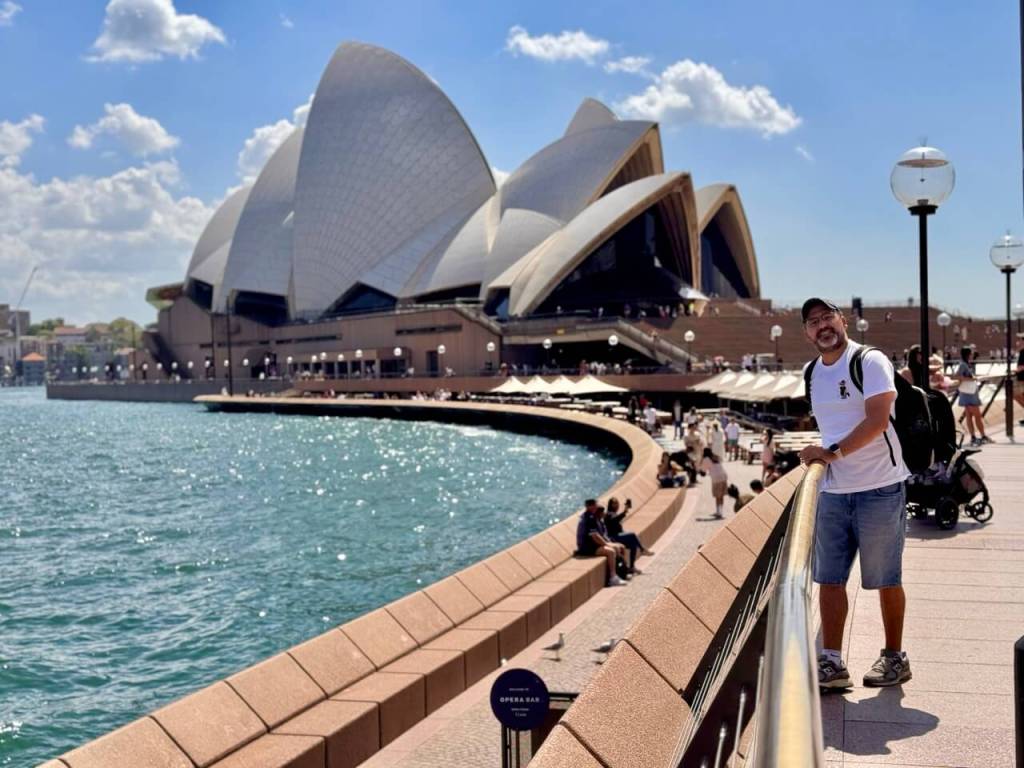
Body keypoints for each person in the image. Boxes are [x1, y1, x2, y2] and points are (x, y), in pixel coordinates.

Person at [798, 297, 911, 690]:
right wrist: (827, 457)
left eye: (827, 317)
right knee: (829, 579)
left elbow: (878, 420)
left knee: (885, 577)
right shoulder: (811, 372)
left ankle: (894, 657)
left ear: (843, 320)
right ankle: (832, 662)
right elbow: (832, 424)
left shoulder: (869, 361)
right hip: (833, 489)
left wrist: (831, 453)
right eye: (813, 321)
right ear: (807, 332)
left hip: (879, 487)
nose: (822, 325)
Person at [575, 499, 628, 587]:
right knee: (611, 552)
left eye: (596, 505)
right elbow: (595, 536)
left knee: (618, 547)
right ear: (589, 507)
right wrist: (606, 544)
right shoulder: (589, 518)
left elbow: (597, 535)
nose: (596, 507)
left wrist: (607, 544)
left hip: (591, 545)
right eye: (594, 505)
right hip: (586, 547)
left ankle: (622, 572)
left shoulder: (589, 516)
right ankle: (613, 578)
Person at [952, 346, 990, 446]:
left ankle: (974, 437)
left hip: (968, 392)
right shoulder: (963, 365)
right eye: (971, 353)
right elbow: (956, 376)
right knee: (977, 415)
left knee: (969, 416)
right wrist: (972, 379)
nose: (972, 354)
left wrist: (973, 378)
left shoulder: (965, 364)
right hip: (969, 393)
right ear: (968, 354)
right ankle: (982, 436)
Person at [604, 497, 653, 573]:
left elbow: (617, 525)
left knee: (633, 545)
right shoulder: (608, 514)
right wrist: (624, 512)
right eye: (614, 504)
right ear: (610, 505)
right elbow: (614, 520)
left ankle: (632, 567)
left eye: (617, 503)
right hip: (613, 538)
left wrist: (625, 512)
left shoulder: (614, 514)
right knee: (632, 534)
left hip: (618, 536)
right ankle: (642, 550)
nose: (616, 505)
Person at [699, 447, 729, 518]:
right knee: (721, 496)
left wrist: (700, 462)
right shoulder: (715, 457)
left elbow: (703, 473)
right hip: (724, 477)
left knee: (717, 496)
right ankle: (720, 511)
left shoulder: (706, 459)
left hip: (716, 479)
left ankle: (719, 513)